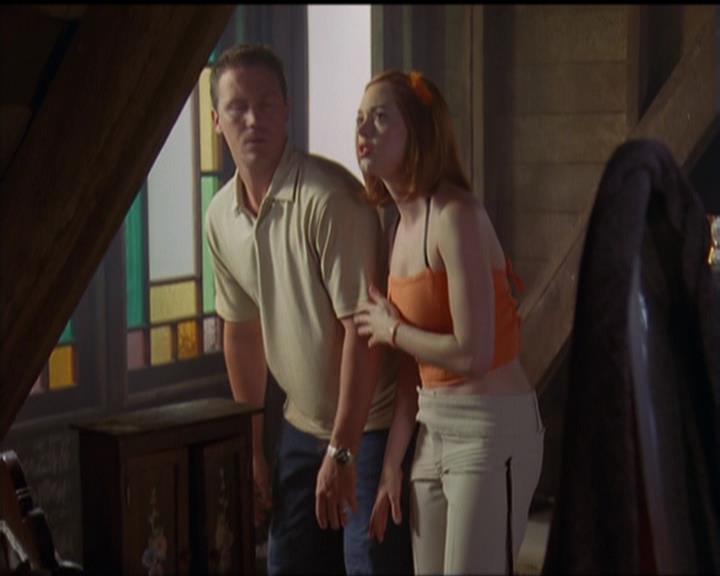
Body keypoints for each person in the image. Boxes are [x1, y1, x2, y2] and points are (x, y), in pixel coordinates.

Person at [204, 45, 412, 575]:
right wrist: (253, 449)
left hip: (369, 423)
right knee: (289, 565)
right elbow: (242, 333)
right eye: (237, 107)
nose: (253, 120)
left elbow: (362, 331)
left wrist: (342, 450)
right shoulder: (220, 215)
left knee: (366, 565)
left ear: (287, 110)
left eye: (266, 104)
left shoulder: (328, 198)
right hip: (300, 425)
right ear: (216, 121)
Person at [353, 69, 545, 575]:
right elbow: (411, 371)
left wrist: (392, 330)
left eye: (380, 118)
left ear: (418, 131)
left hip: (490, 428)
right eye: (360, 119)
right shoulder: (398, 228)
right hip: (432, 428)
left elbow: (474, 353)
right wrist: (391, 465)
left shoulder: (455, 214)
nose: (363, 131)